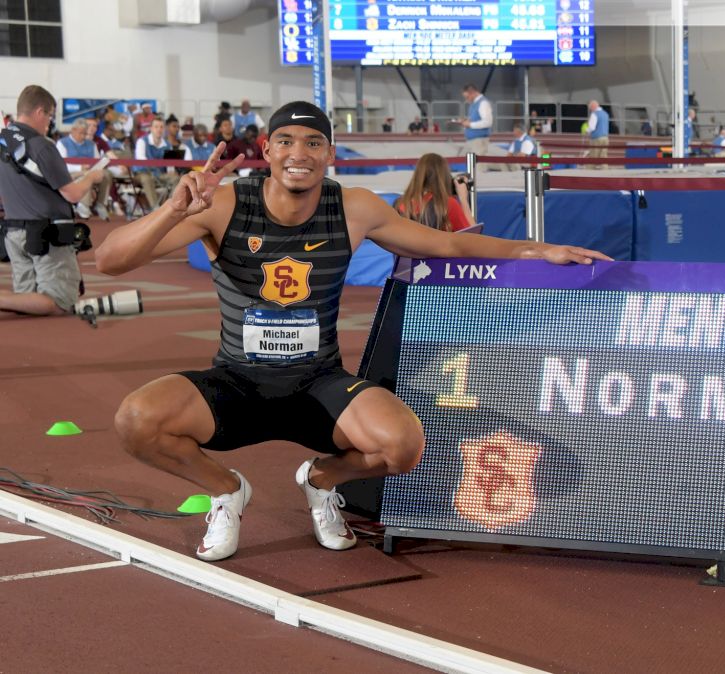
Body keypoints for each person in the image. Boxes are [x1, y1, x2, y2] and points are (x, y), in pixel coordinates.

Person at [93, 103, 609, 562]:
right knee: (137, 420)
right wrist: (170, 211)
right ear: (267, 150)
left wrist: (535, 250)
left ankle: (321, 480)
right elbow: (111, 261)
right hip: (238, 383)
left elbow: (445, 246)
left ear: (329, 153)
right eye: (287, 142)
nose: (301, 153)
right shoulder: (225, 204)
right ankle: (226, 490)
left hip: (317, 383)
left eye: (313, 142)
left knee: (403, 445)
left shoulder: (353, 207)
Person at [0, 85, 110, 318]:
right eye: (50, 115)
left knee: (26, 304)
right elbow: (72, 194)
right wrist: (91, 177)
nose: (49, 122)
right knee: (60, 302)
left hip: (14, 233)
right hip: (46, 233)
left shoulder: (4, 142)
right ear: (40, 111)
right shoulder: (41, 146)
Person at [393, 153, 475, 231]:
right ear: (445, 177)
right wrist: (463, 200)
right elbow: (473, 236)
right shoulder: (447, 204)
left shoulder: (400, 203)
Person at [56, 119, 114, 220]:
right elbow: (61, 165)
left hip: (90, 171)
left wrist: (97, 167)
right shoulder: (62, 143)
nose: (83, 136)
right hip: (71, 173)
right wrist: (80, 167)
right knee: (87, 175)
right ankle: (84, 205)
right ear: (73, 130)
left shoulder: (92, 144)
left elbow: (96, 161)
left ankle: (100, 204)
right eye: (80, 133)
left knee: (106, 174)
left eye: (85, 133)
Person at [456, 83, 493, 156]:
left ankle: (507, 164)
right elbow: (475, 119)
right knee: (471, 165)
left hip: (479, 141)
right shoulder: (473, 104)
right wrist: (465, 121)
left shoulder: (483, 103)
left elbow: (488, 122)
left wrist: (470, 124)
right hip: (472, 140)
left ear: (472, 93)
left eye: (467, 97)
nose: (466, 99)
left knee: (479, 165)